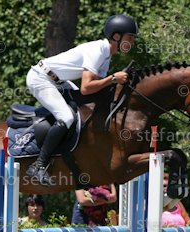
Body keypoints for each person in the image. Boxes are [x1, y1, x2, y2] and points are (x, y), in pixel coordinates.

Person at [25, 15, 139, 186]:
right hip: (40, 78)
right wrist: (114, 78)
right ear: (117, 36)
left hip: (58, 81)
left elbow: (97, 89)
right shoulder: (97, 51)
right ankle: (39, 165)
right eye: (130, 37)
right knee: (67, 117)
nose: (132, 42)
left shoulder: (106, 55)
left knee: (83, 109)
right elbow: (86, 87)